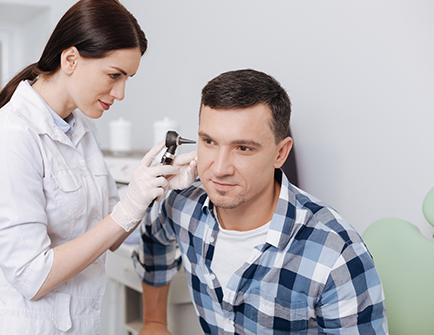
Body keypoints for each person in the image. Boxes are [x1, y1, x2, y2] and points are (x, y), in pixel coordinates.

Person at [0, 0, 197, 333]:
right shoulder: (9, 138)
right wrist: (128, 207)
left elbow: (113, 236)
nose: (121, 92)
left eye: (128, 78)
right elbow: (33, 276)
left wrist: (152, 190)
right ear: (70, 59)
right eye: (114, 75)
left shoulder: (82, 128)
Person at [133, 69, 388, 334]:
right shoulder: (181, 204)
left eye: (243, 148)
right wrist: (154, 321)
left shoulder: (337, 255)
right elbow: (152, 237)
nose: (219, 169)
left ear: (280, 153)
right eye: (209, 141)